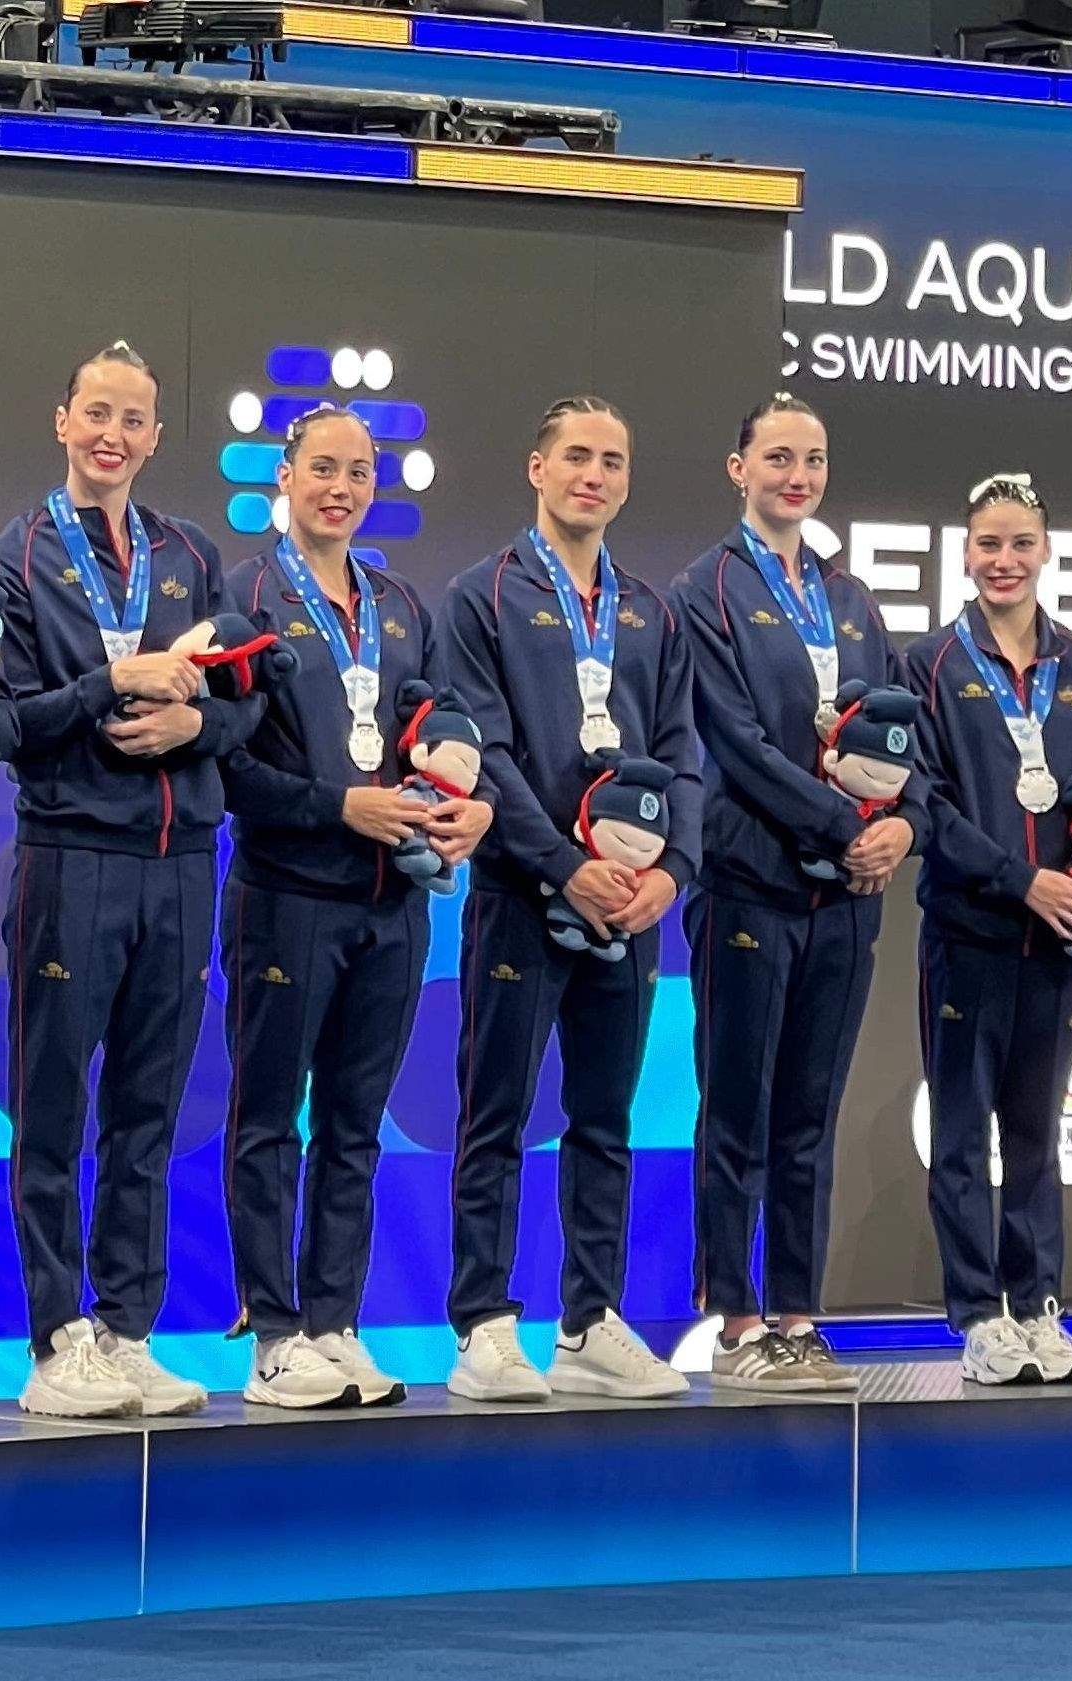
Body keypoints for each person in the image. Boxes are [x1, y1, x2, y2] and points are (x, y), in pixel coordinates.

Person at [0, 341, 263, 1418]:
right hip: (71, 858)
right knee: (53, 1106)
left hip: (182, 862)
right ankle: (57, 1340)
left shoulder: (190, 551)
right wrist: (110, 685)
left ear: (153, 436)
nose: (113, 432)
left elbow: (248, 705)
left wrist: (196, 721)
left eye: (134, 417)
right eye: (95, 410)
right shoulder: (12, 557)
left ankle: (128, 1326)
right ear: (61, 419)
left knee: (148, 1108)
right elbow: (0, 720)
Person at [218, 405, 493, 1409]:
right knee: (266, 1121)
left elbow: (438, 719)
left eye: (359, 470)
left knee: (353, 1125)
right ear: (282, 477)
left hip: (391, 906)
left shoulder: (399, 603)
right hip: (286, 896)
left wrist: (462, 809)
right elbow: (226, 766)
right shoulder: (242, 598)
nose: (340, 486)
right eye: (322, 468)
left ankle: (334, 1320)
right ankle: (273, 1337)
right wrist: (340, 805)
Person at [440, 394, 699, 1404]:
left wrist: (668, 872)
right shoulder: (481, 595)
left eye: (613, 459)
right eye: (576, 456)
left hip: (629, 910)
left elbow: (681, 754)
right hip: (521, 893)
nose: (594, 473)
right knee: (495, 1114)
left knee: (605, 1119)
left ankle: (590, 1319)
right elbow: (482, 750)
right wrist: (561, 864)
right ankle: (484, 1323)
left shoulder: (648, 609)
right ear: (535, 469)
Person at [677, 392, 923, 1393]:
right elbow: (733, 741)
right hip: (749, 879)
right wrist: (841, 824)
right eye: (776, 455)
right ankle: (737, 1323)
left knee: (809, 1112)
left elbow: (903, 736)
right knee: (738, 1104)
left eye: (812, 458)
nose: (796, 473)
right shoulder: (707, 589)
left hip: (845, 897)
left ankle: (797, 1314)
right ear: (737, 468)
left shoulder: (851, 596)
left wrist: (899, 828)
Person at [898, 473, 1072, 1386]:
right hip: (968, 933)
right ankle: (976, 1316)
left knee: (1038, 1134)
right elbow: (920, 802)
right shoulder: (926, 663)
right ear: (963, 555)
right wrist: (1021, 880)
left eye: (1018, 544)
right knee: (964, 1131)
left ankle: (1037, 1303)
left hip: (1063, 944)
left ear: (1045, 551)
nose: (1002, 561)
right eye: (985, 544)